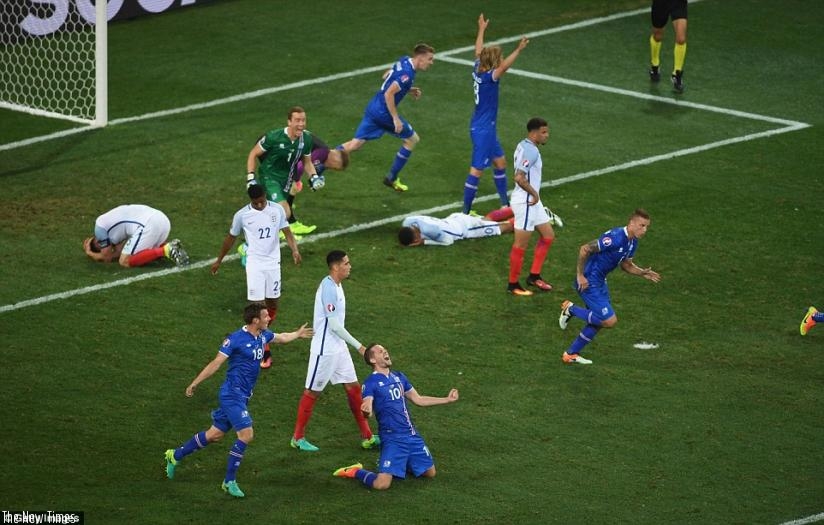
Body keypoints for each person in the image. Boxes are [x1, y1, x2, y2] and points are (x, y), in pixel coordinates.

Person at [164, 303, 312, 498]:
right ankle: (229, 481)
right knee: (246, 434)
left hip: (243, 395)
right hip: (232, 394)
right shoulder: (235, 340)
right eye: (265, 316)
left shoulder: (262, 335)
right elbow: (216, 363)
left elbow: (282, 337)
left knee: (214, 434)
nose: (269, 318)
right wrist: (195, 383)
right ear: (255, 320)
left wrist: (297, 334)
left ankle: (174, 456)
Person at [332, 343, 459, 491]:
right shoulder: (370, 383)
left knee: (429, 473)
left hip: (411, 435)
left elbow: (418, 399)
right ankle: (355, 471)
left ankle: (398, 462)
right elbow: (367, 408)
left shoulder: (399, 377)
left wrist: (446, 399)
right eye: (380, 351)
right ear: (373, 360)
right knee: (381, 485)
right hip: (392, 439)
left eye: (385, 350)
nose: (385, 352)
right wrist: (366, 411)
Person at [290, 250, 379, 452]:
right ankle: (297, 437)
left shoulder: (337, 285)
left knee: (354, 387)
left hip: (338, 347)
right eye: (346, 263)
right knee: (312, 392)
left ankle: (367, 436)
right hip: (325, 350)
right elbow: (334, 325)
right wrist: (359, 346)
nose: (350, 266)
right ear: (336, 267)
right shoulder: (328, 288)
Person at [211, 184, 301, 368]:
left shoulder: (277, 210)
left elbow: (287, 232)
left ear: (265, 196)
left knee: (273, 303)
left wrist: (294, 250)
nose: (259, 205)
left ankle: (262, 335)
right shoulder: (242, 215)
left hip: (273, 263)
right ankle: (263, 347)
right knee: (258, 307)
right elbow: (230, 238)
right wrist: (219, 259)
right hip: (254, 264)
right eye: (255, 203)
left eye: (261, 201)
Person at [558, 209, 661, 365]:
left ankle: (571, 354)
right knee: (609, 320)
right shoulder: (614, 238)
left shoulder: (633, 242)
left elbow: (626, 265)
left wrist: (641, 273)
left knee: (599, 322)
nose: (644, 230)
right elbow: (585, 248)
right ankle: (570, 309)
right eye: (642, 225)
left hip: (600, 281)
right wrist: (580, 275)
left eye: (647, 227)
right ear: (631, 223)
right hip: (588, 280)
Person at [337, 43, 436, 192]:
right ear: (420, 58)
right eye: (430, 59)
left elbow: (387, 75)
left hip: (373, 107)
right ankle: (392, 177)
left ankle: (320, 161)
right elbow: (389, 93)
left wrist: (408, 89)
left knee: (355, 144)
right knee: (412, 139)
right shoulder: (408, 75)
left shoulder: (404, 60)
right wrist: (395, 119)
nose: (431, 62)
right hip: (384, 113)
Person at [462, 14, 529, 215]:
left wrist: (481, 29)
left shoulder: (477, 67)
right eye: (498, 58)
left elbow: (478, 51)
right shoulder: (491, 77)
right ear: (493, 63)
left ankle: (504, 204)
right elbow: (504, 67)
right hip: (483, 131)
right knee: (477, 170)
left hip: (485, 127)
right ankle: (464, 212)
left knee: (500, 162)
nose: (500, 59)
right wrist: (518, 49)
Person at [246, 106, 324, 236]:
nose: (301, 124)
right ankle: (255, 243)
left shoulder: (307, 139)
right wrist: (250, 177)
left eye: (303, 120)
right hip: (269, 177)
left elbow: (307, 162)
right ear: (289, 122)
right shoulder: (274, 137)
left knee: (273, 212)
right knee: (284, 211)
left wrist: (314, 177)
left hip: (286, 179)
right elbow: (253, 153)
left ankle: (263, 233)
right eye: (297, 120)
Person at [506, 117, 560, 296]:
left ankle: (534, 276)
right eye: (544, 132)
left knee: (548, 235)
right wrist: (534, 193)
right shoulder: (532, 152)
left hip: (532, 202)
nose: (547, 135)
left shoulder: (523, 145)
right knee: (521, 245)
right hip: (527, 202)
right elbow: (519, 177)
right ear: (534, 132)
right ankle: (513, 284)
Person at [83, 204, 188, 267]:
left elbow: (107, 258)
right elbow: (119, 253)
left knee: (124, 262)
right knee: (133, 256)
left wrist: (90, 253)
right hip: (162, 220)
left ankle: (165, 249)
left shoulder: (100, 228)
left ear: (96, 240)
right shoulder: (114, 233)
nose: (103, 246)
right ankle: (171, 248)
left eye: (100, 245)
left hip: (149, 223)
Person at [398, 210, 514, 247]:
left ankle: (528, 217)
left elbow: (449, 241)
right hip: (455, 218)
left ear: (415, 238)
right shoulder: (407, 221)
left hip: (467, 228)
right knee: (486, 220)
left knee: (503, 228)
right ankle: (513, 208)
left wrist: (425, 242)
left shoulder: (430, 231)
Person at [649, 0, 688, 93]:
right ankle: (655, 65)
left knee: (681, 39)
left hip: (678, 3)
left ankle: (677, 73)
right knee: (657, 36)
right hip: (661, 3)